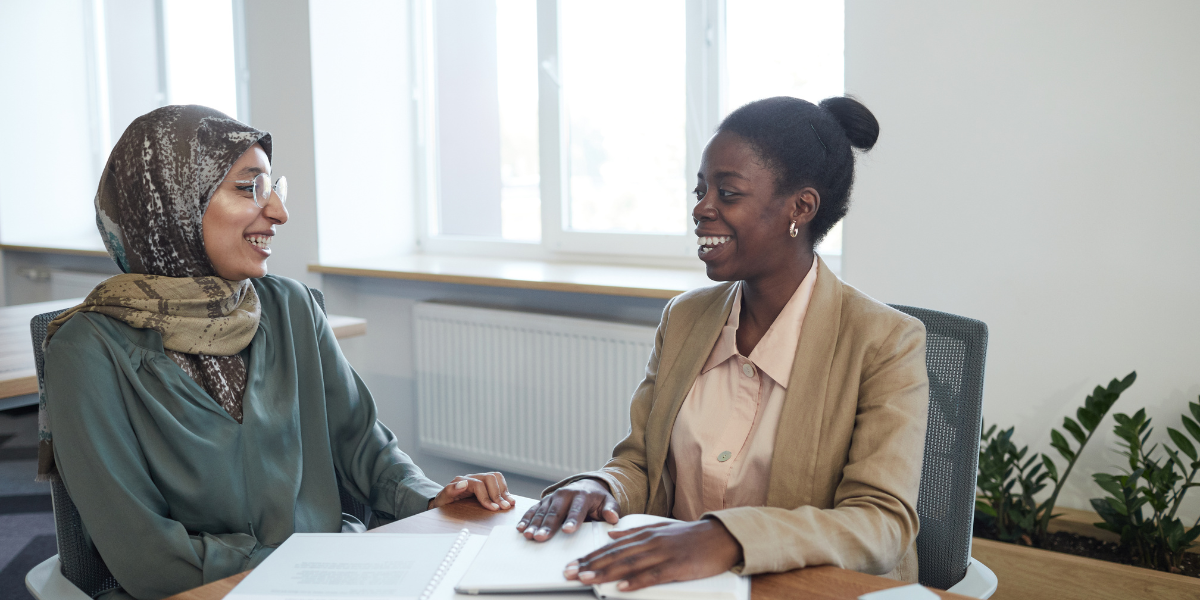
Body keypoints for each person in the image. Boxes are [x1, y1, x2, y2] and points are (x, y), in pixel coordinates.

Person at [39, 105, 514, 600]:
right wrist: (316, 564)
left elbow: (365, 449)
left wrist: (432, 497)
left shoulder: (290, 306)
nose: (279, 214)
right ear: (173, 205)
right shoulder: (86, 350)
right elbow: (147, 558)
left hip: (338, 575)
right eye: (249, 189)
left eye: (273, 188)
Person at [516, 96, 929, 590]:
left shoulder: (884, 342)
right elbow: (641, 464)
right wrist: (599, 484)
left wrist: (727, 537)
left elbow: (881, 524)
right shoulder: (686, 317)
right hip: (678, 587)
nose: (701, 209)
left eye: (727, 194)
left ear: (801, 207)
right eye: (700, 189)